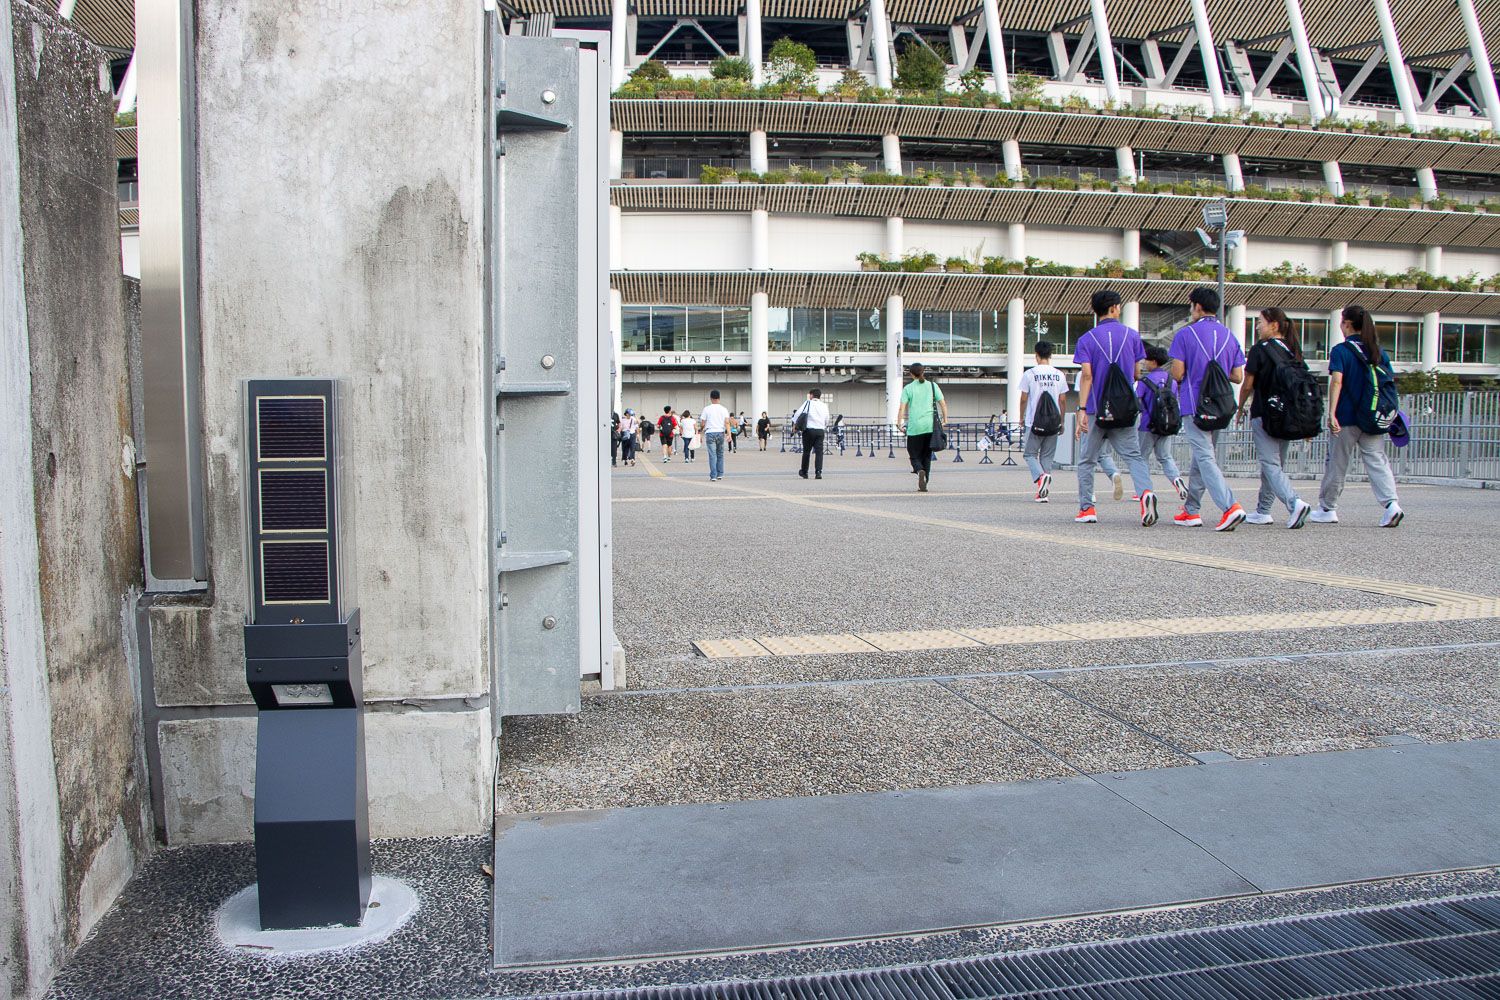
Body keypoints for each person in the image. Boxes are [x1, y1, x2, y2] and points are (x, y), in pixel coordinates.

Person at [1310, 304, 1404, 527]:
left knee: (1337, 462)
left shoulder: (1341, 350)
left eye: (1342, 322)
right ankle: (1391, 505)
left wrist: (1331, 413)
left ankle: (1327, 508)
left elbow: (1337, 382)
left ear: (1347, 324)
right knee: (1377, 460)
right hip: (1372, 416)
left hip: (1346, 417)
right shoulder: (1379, 352)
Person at [1072, 290, 1159, 525]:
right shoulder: (1132, 336)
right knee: (1134, 456)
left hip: (1095, 407)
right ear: (1114, 308)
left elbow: (1087, 375)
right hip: (1124, 408)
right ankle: (1145, 494)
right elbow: (1136, 373)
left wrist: (1082, 409)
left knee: (1087, 459)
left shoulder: (1087, 339)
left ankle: (1087, 509)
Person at [1169, 287, 1246, 532]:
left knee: (1204, 456)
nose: (1190, 310)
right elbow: (1238, 376)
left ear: (1198, 307)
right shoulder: (1229, 336)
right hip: (1222, 405)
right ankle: (1191, 510)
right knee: (1202, 457)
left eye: (1191, 305)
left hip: (1195, 405)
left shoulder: (1185, 334)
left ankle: (1229, 506)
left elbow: (1177, 373)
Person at [1238, 308, 1313, 529]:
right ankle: (1263, 511)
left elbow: (1248, 384)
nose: (1257, 327)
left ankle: (1294, 503)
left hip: (1265, 413)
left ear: (1274, 325)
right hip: (1288, 415)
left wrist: (1240, 406)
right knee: (1274, 465)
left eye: (1260, 322)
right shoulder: (1292, 350)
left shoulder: (1259, 349)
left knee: (1270, 464)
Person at [1017, 340, 1067, 502]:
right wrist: (1062, 421)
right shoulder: (1059, 375)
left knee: (1029, 454)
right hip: (1053, 422)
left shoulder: (1030, 374)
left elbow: (1023, 398)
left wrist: (1021, 417)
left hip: (1034, 421)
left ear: (1036, 355)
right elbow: (1062, 400)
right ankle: (1043, 492)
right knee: (1047, 457)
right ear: (1050, 355)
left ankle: (1040, 477)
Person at [1135, 345, 1187, 501]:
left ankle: (1145, 490)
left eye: (1146, 360)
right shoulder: (1172, 381)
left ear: (1154, 361)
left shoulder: (1145, 381)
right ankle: (1176, 479)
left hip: (1147, 424)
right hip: (1167, 424)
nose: (1144, 363)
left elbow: (1138, 401)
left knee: (1142, 458)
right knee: (1165, 457)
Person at [1074, 368, 1126, 500]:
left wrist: (1079, 420)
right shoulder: (1108, 370)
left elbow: (1081, 399)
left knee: (1087, 457)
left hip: (1091, 416)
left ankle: (1088, 493)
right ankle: (1114, 474)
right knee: (1103, 454)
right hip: (1110, 417)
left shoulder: (1083, 374)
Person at [897, 362, 947, 492]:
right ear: (923, 372)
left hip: (915, 427)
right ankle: (925, 482)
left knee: (914, 454)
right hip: (930, 426)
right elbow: (943, 403)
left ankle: (919, 470)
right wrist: (945, 419)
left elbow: (902, 407)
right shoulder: (933, 386)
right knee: (927, 456)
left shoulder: (908, 388)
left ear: (911, 374)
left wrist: (899, 423)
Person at [793, 388, 831, 479]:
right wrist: (823, 426)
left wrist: (794, 425)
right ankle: (818, 472)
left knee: (806, 451)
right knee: (819, 452)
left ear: (811, 395)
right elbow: (827, 419)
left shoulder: (808, 403)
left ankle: (804, 472)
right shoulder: (824, 405)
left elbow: (797, 414)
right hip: (820, 431)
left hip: (809, 430)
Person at [699, 389, 731, 481]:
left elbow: (703, 423)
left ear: (711, 398)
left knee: (712, 455)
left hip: (710, 433)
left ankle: (713, 476)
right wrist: (729, 434)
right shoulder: (724, 409)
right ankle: (720, 474)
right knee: (720, 454)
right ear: (719, 398)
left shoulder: (706, 409)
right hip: (720, 432)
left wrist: (700, 432)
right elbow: (727, 422)